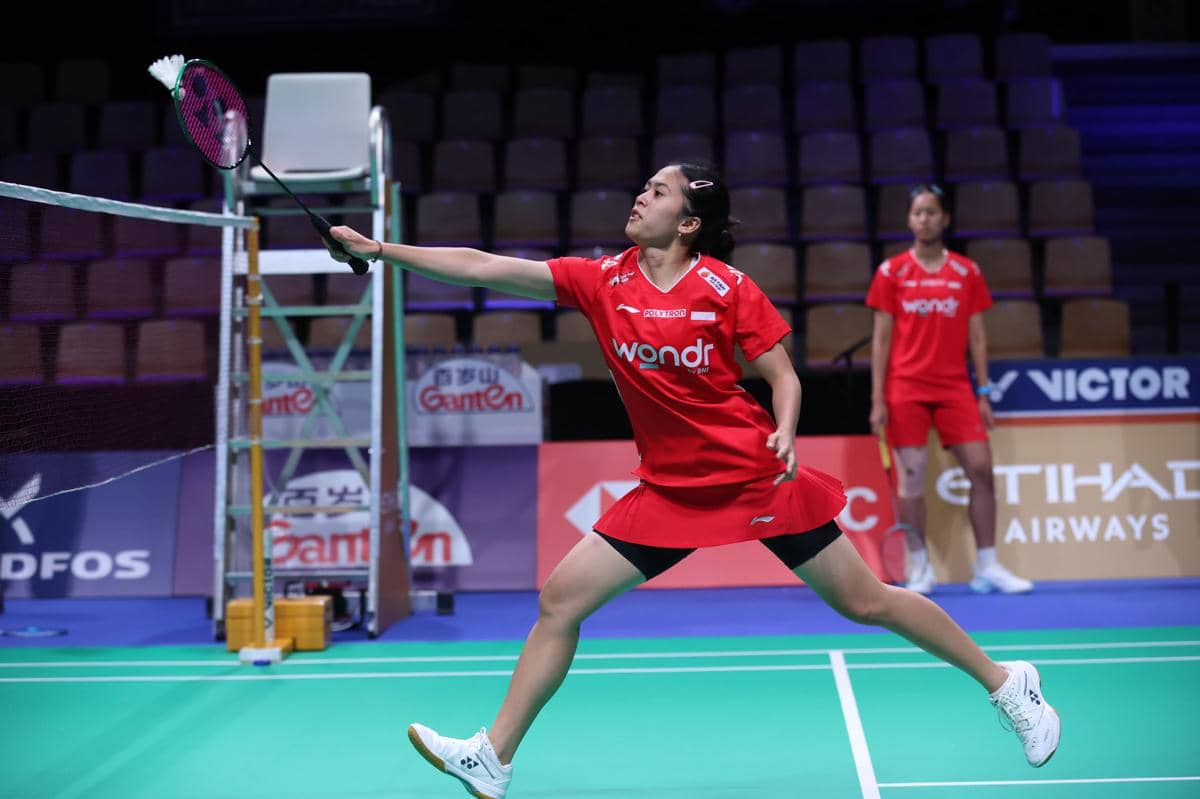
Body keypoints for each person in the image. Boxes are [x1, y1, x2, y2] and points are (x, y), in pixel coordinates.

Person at [326, 165, 1059, 799]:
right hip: (670, 490)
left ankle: (1006, 681)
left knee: (866, 601)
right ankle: (494, 755)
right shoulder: (602, 279)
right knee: (559, 601)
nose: (640, 198)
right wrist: (380, 250)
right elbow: (485, 266)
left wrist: (785, 428)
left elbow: (781, 373)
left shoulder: (725, 287)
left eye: (658, 191)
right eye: (644, 187)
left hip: (750, 474)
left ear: (690, 221)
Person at [867, 185, 1035, 596]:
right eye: (918, 212)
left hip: (956, 388)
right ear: (910, 221)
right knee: (910, 482)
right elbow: (881, 341)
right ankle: (919, 566)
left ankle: (988, 566)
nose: (924, 219)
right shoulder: (892, 272)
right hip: (905, 388)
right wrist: (877, 401)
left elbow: (977, 338)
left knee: (981, 469)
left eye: (931, 212)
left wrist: (983, 392)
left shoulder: (966, 271)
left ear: (945, 219)